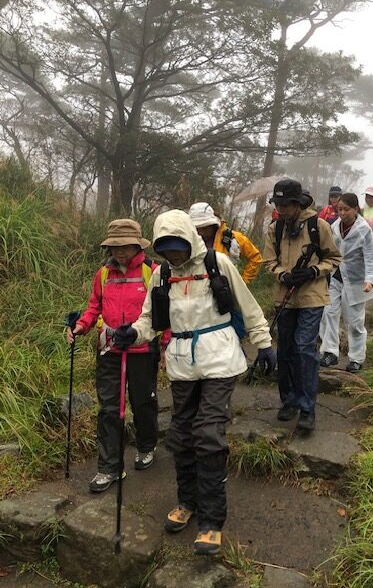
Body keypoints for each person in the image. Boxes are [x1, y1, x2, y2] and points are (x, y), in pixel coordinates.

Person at [114, 210, 275, 555]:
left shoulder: (217, 264)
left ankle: (211, 520)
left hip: (220, 358)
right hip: (182, 363)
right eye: (167, 249)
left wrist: (264, 343)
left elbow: (248, 306)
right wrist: (133, 333)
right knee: (180, 435)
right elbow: (148, 319)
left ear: (190, 240)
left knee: (209, 433)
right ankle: (187, 501)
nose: (174, 255)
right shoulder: (161, 275)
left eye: (178, 247)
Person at [66, 219, 159, 493]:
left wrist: (164, 345)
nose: (118, 252)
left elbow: (162, 314)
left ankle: (146, 445)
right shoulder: (104, 273)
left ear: (136, 245)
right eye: (114, 247)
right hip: (109, 350)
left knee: (143, 401)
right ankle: (110, 467)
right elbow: (94, 306)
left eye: (124, 247)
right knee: (109, 408)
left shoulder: (151, 271)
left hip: (142, 350)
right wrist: (80, 326)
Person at [263, 178, 342, 432]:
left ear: (297, 203)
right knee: (284, 350)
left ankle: (307, 408)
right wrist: (281, 275)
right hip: (284, 298)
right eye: (278, 204)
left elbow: (333, 257)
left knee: (304, 349)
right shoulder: (274, 228)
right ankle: (289, 401)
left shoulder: (318, 226)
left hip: (312, 297)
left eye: (286, 204)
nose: (282, 209)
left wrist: (313, 271)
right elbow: (269, 261)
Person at [319, 193, 373, 373]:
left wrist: (370, 280)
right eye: (340, 209)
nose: (343, 213)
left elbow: (371, 257)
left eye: (347, 209)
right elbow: (327, 249)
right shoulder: (334, 226)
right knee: (329, 313)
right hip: (336, 276)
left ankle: (356, 358)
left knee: (354, 321)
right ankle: (330, 352)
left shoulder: (364, 230)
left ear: (355, 209)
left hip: (356, 280)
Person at [188, 202, 262, 284]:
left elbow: (255, 258)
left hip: (225, 290)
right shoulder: (188, 240)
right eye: (197, 228)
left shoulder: (232, 238)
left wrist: (243, 281)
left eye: (205, 228)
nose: (201, 233)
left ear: (213, 225)